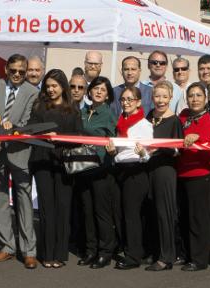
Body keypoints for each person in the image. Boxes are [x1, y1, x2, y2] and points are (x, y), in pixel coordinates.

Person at [0, 54, 40, 269]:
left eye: (22, 72)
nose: (17, 75)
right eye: (13, 70)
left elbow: (27, 121)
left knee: (24, 199)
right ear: (6, 69)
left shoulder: (32, 92)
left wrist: (12, 127)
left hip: (20, 151)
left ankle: (29, 250)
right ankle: (7, 246)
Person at [29, 69, 83, 268]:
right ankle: (47, 254)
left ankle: (60, 253)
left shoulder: (73, 109)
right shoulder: (39, 107)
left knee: (63, 207)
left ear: (63, 87)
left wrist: (59, 136)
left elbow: (79, 135)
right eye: (48, 86)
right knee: (46, 208)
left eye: (55, 86)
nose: (51, 89)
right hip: (42, 162)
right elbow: (30, 128)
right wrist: (45, 132)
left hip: (65, 164)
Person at [106, 86, 153, 270]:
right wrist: (112, 151)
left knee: (132, 215)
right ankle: (129, 249)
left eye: (130, 100)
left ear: (138, 102)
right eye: (123, 99)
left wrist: (142, 152)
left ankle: (134, 256)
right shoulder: (120, 122)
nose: (125, 103)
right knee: (120, 213)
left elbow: (148, 156)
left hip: (136, 171)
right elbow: (118, 150)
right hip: (120, 169)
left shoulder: (144, 125)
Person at [76, 76, 117, 269]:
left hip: (101, 169)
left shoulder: (108, 114)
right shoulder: (82, 111)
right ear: (89, 91)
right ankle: (90, 251)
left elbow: (112, 141)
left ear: (108, 94)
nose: (99, 92)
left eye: (103, 89)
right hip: (83, 168)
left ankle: (105, 252)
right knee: (87, 211)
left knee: (102, 213)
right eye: (96, 88)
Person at [176, 83, 210, 272]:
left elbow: (209, 146)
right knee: (184, 216)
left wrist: (197, 138)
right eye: (191, 95)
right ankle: (186, 254)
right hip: (181, 173)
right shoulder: (183, 116)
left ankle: (199, 259)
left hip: (200, 175)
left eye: (199, 95)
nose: (195, 99)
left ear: (206, 98)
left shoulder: (208, 121)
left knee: (198, 219)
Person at [145, 81, 184, 271]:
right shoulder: (149, 116)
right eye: (157, 96)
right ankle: (156, 252)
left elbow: (177, 151)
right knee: (152, 211)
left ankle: (167, 257)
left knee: (165, 214)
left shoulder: (175, 120)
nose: (160, 100)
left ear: (170, 98)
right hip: (149, 168)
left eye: (164, 96)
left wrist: (159, 147)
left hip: (165, 170)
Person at [141, 51, 185, 115]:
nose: (158, 65)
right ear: (148, 65)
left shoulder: (177, 90)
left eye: (162, 63)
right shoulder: (139, 87)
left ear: (166, 66)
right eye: (154, 62)